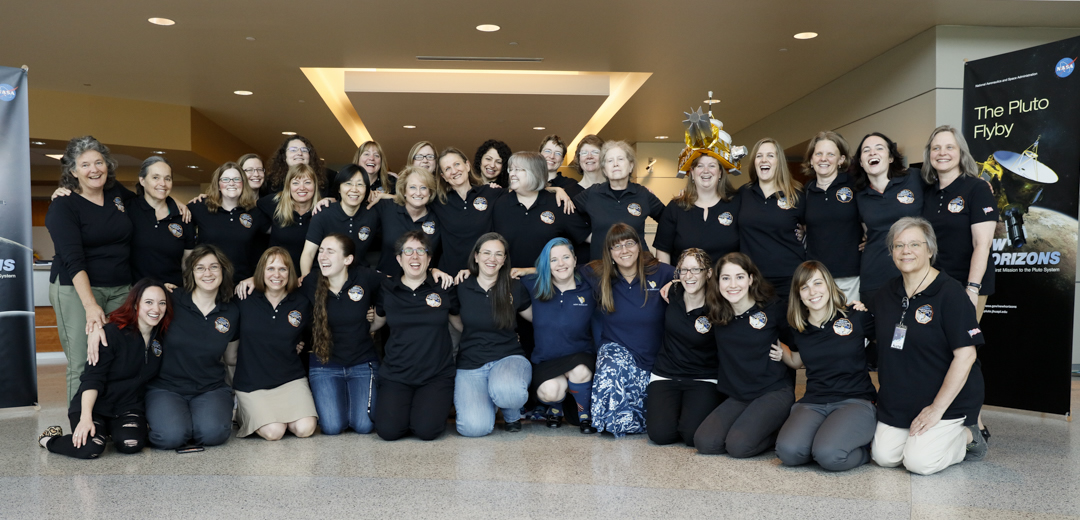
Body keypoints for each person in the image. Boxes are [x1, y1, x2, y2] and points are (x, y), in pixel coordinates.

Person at [867, 217, 987, 475]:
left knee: (920, 462)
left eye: (914, 244)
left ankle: (970, 436)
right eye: (898, 246)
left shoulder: (951, 293)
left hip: (947, 400)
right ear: (891, 253)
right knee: (884, 456)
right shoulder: (886, 292)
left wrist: (936, 409)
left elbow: (966, 356)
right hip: (901, 400)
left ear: (930, 250)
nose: (905, 251)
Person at [38, 279, 171, 458]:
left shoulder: (160, 336)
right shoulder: (112, 334)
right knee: (91, 448)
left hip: (128, 406)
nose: (156, 309)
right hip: (95, 406)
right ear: (135, 304)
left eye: (161, 303)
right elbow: (93, 378)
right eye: (149, 302)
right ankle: (49, 439)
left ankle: (110, 431)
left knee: (131, 444)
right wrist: (85, 417)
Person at [46, 136, 135, 402]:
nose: (94, 169)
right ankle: (80, 425)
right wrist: (90, 305)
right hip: (77, 291)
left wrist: (176, 203)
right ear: (73, 171)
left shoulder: (117, 193)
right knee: (85, 358)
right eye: (85, 165)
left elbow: (148, 204)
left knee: (118, 356)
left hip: (120, 288)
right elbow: (73, 259)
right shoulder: (63, 206)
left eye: (99, 162)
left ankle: (110, 419)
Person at [772, 261, 876, 471]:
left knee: (830, 456)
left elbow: (885, 345)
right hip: (813, 401)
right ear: (799, 294)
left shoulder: (855, 315)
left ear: (829, 285)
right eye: (805, 287)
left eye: (817, 283)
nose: (812, 292)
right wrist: (780, 350)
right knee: (788, 452)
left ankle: (865, 449)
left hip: (855, 400)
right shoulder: (799, 326)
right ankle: (823, 442)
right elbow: (798, 361)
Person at [694, 252, 795, 457]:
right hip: (738, 395)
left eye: (739, 277)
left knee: (738, 446)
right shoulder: (717, 312)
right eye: (725, 278)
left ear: (750, 279)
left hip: (773, 392)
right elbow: (690, 293)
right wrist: (675, 283)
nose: (733, 284)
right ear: (717, 281)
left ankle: (779, 429)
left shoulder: (773, 309)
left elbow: (800, 341)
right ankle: (756, 427)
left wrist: (785, 353)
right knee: (705, 442)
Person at [584, 224, 676, 437]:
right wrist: (526, 271)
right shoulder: (598, 273)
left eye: (629, 243)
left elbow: (695, 279)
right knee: (611, 368)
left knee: (655, 421)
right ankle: (612, 422)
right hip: (616, 351)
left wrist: (678, 283)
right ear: (609, 253)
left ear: (639, 245)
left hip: (654, 359)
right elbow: (561, 269)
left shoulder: (661, 272)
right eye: (616, 247)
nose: (624, 250)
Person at [144, 245, 239, 449]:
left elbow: (231, 357)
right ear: (191, 273)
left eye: (214, 267)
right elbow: (139, 317)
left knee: (214, 434)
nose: (208, 273)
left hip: (210, 388)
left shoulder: (231, 310)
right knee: (171, 437)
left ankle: (191, 422)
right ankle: (173, 422)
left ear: (223, 270)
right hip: (166, 387)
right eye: (200, 268)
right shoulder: (171, 299)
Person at [372, 231, 461, 440]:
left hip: (435, 376)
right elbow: (376, 322)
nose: (415, 256)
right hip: (396, 375)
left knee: (426, 431)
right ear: (398, 259)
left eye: (421, 251)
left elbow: (462, 325)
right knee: (388, 432)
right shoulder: (387, 288)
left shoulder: (443, 287)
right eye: (408, 251)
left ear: (429, 259)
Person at [232, 248, 317, 441]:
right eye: (270, 268)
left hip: (290, 380)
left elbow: (312, 332)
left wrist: (302, 341)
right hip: (253, 383)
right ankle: (241, 413)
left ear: (290, 273)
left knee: (305, 428)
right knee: (274, 432)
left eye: (283, 269)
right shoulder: (244, 298)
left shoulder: (301, 302)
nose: (276, 275)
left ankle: (275, 416)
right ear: (261, 271)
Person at [453, 233, 534, 436]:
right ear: (476, 256)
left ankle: (511, 413)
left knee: (508, 392)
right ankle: (491, 395)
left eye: (499, 254)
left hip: (508, 358)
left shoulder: (514, 286)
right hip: (471, 363)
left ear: (504, 259)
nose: (492, 259)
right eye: (487, 253)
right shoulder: (461, 286)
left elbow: (537, 318)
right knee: (473, 429)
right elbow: (455, 318)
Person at [304, 234, 385, 435]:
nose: (322, 256)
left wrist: (377, 318)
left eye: (330, 252)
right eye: (321, 251)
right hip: (325, 364)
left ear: (347, 259)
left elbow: (398, 282)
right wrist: (252, 280)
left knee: (364, 426)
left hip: (362, 362)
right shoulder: (311, 281)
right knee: (331, 427)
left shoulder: (365, 277)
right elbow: (277, 285)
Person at [646, 249, 723, 447]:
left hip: (702, 376)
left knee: (691, 436)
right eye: (683, 270)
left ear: (708, 273)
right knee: (660, 435)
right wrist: (673, 282)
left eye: (695, 270)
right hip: (666, 374)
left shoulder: (718, 305)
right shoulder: (672, 292)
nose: (688, 276)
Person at [920, 125, 997, 321]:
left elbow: (982, 244)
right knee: (934, 346)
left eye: (949, 147)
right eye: (936, 148)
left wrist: (972, 288)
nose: (942, 153)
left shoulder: (977, 189)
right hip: (932, 284)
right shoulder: (927, 192)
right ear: (929, 154)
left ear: (961, 152)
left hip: (966, 283)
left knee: (962, 346)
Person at [520, 238, 597, 433]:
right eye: (553, 260)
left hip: (580, 356)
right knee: (551, 391)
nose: (561, 263)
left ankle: (584, 414)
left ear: (574, 260)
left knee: (579, 370)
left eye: (565, 257)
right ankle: (556, 406)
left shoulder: (589, 286)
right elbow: (500, 279)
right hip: (546, 361)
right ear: (546, 265)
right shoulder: (533, 285)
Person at [852, 132, 923, 302]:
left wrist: (978, 184)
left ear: (891, 157)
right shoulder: (859, 194)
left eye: (879, 148)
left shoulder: (914, 178)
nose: (872, 153)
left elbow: (949, 184)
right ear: (861, 162)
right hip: (875, 276)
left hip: (916, 274)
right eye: (866, 150)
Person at [492, 151, 590, 271]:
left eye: (518, 169)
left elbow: (586, 236)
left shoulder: (557, 203)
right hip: (510, 282)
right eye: (511, 169)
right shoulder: (500, 204)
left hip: (547, 283)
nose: (512, 174)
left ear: (535, 173)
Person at [737, 138, 805, 301]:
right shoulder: (743, 193)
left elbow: (816, 226)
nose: (764, 160)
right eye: (759, 156)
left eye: (770, 155)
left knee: (790, 325)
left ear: (779, 161)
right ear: (754, 162)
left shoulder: (796, 194)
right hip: (753, 279)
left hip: (789, 278)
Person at [573, 141, 665, 261]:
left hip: (638, 268)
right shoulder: (592, 193)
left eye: (620, 159)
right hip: (601, 269)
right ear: (604, 170)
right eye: (610, 161)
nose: (615, 164)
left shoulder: (643, 194)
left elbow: (669, 221)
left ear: (631, 165)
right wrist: (586, 235)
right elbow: (566, 216)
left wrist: (660, 249)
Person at [802, 131, 862, 302]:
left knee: (847, 325)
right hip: (815, 276)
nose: (823, 158)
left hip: (849, 275)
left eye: (830, 154)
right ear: (811, 159)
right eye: (818, 154)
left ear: (841, 160)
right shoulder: (806, 191)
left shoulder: (854, 184)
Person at [430, 147, 504, 278]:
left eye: (457, 164)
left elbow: (525, 191)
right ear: (444, 177)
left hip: (482, 277)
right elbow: (408, 197)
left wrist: (553, 191)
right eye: (447, 169)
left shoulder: (490, 193)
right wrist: (383, 196)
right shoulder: (438, 201)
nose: (454, 171)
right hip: (449, 278)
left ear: (467, 165)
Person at [654, 154, 740, 265]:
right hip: (685, 280)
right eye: (700, 166)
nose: (706, 170)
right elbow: (663, 251)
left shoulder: (736, 204)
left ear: (720, 173)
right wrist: (669, 281)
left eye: (712, 166)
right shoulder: (675, 207)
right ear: (692, 173)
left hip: (726, 281)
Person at [187, 162, 267, 281]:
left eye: (236, 179)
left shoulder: (255, 212)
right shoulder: (200, 207)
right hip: (208, 282)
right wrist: (178, 204)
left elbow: (277, 235)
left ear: (243, 184)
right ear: (218, 185)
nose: (231, 183)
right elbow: (175, 217)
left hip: (242, 285)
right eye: (225, 179)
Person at [300, 164, 380, 278]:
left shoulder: (372, 214)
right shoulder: (323, 214)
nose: (354, 189)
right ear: (339, 188)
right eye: (348, 183)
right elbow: (308, 253)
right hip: (324, 276)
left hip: (358, 277)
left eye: (360, 184)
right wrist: (306, 279)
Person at [128, 156, 194, 288]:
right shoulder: (128, 209)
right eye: (155, 177)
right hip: (137, 294)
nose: (162, 183)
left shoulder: (183, 216)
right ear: (142, 180)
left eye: (167, 178)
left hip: (174, 293)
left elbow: (187, 264)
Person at [371, 166, 441, 277]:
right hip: (386, 283)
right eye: (412, 187)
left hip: (423, 287)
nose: (418, 193)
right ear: (404, 191)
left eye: (423, 188)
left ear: (430, 192)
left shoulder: (438, 217)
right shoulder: (386, 208)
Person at [257, 163, 319, 273]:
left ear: (315, 185)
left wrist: (330, 200)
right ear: (288, 186)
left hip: (310, 277)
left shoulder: (322, 211)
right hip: (277, 276)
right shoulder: (275, 203)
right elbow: (250, 204)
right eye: (295, 183)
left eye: (307, 182)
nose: (302, 187)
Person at [264, 135, 329, 196]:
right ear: (284, 156)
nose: (299, 153)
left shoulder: (324, 180)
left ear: (310, 156)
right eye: (293, 150)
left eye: (304, 150)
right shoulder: (271, 182)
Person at [540, 134, 583, 198]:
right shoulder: (527, 181)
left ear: (562, 161)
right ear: (539, 154)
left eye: (558, 153)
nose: (552, 156)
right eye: (548, 151)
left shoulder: (572, 186)